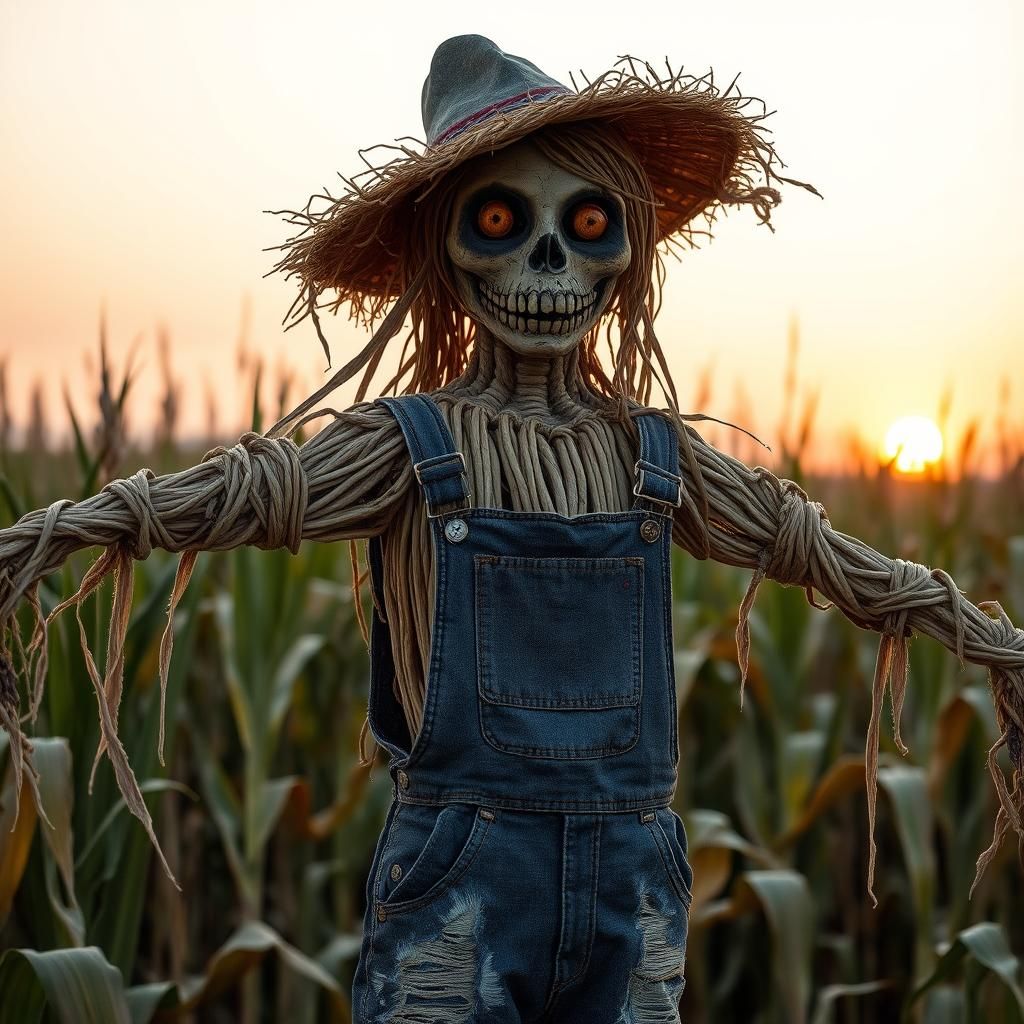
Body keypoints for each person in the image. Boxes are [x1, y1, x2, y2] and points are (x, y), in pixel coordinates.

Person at [1, 34, 1021, 1022]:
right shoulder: (408, 449)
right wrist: (52, 534)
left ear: (627, 252)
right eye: (498, 218)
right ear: (443, 250)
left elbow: (820, 555)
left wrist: (989, 641)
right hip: (460, 877)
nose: (549, 265)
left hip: (633, 879)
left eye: (587, 227)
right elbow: (236, 493)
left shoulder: (654, 460)